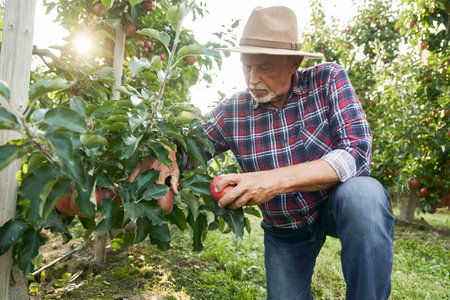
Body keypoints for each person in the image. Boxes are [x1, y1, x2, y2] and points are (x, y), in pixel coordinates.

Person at [132, 6, 395, 300]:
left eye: (265, 67)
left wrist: (272, 181)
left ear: (293, 63)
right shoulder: (233, 111)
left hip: (334, 206)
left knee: (364, 196)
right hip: (286, 228)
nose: (252, 79)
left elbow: (356, 152)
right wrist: (166, 151)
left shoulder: (327, 80)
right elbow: (188, 147)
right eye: (247, 66)